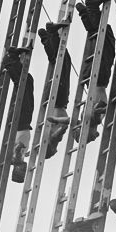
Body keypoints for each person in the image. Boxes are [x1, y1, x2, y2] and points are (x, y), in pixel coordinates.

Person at [74, 0, 116, 143]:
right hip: (91, 79)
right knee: (96, 41)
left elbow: (101, 106)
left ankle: (91, 9)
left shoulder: (93, 120)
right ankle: (86, 14)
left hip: (99, 79)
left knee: (105, 40)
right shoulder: (85, 117)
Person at [37, 24, 71, 159]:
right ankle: (46, 39)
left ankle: (52, 34)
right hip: (52, 100)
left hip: (58, 100)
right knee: (57, 64)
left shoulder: (54, 138)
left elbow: (66, 122)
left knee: (63, 62)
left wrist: (58, 121)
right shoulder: (43, 135)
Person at [2, 47, 35, 185]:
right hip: (22, 122)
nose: (24, 169)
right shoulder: (15, 159)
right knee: (26, 83)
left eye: (21, 172)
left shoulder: (16, 158)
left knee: (23, 85)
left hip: (20, 121)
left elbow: (18, 147)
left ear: (16, 170)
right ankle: (13, 61)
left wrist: (20, 148)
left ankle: (10, 61)